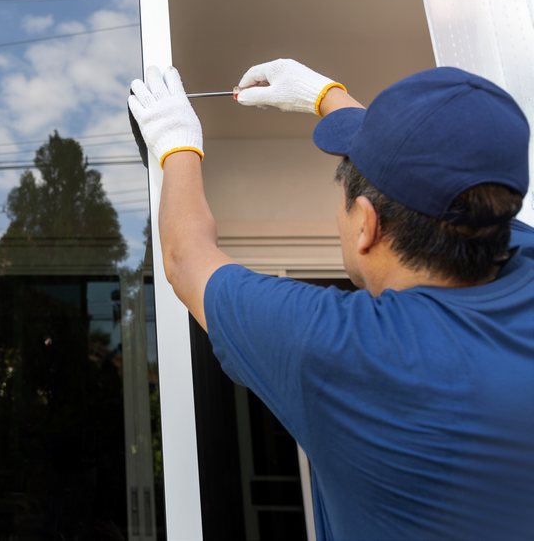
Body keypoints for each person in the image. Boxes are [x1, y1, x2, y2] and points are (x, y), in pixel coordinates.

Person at [128, 59, 534, 540]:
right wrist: (326, 96)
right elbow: (442, 171)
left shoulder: (347, 349)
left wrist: (176, 144)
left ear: (366, 224)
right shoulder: (513, 250)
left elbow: (184, 258)